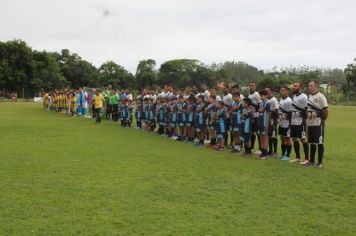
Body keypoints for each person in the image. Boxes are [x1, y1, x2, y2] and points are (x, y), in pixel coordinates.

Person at [305, 80, 329, 168]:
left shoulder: (321, 97)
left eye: (311, 85)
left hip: (318, 123)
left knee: (319, 142)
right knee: (312, 142)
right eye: (308, 85)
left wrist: (323, 120)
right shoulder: (309, 96)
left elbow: (325, 110)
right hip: (310, 124)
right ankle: (311, 161)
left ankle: (320, 162)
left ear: (316, 86)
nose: (309, 87)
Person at [290, 82, 309, 163]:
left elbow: (306, 110)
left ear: (300, 87)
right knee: (294, 139)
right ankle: (298, 157)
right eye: (293, 86)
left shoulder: (304, 96)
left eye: (295, 86)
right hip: (293, 122)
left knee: (303, 139)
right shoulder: (294, 96)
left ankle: (307, 159)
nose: (293, 87)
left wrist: (304, 121)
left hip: (300, 122)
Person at [278, 86, 293, 161]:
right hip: (281, 122)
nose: (281, 92)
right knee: (282, 138)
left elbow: (291, 113)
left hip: (287, 123)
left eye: (283, 90)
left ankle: (288, 155)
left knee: (287, 138)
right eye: (281, 90)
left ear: (287, 92)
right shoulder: (281, 99)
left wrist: (290, 123)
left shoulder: (289, 101)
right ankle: (283, 154)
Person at [248, 82, 261, 153]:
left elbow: (260, 104)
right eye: (250, 85)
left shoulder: (256, 94)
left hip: (256, 116)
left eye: (253, 85)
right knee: (252, 132)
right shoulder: (249, 94)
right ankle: (252, 147)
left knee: (258, 132)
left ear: (255, 87)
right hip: (251, 116)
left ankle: (260, 148)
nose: (251, 87)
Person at [258, 89, 271, 160]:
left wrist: (266, 124)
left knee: (265, 139)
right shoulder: (260, 103)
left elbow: (268, 115)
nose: (261, 97)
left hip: (264, 124)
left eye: (263, 96)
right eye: (260, 96)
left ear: (266, 96)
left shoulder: (267, 104)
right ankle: (262, 152)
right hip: (260, 123)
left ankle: (265, 154)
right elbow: (260, 112)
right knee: (261, 138)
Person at [266, 87, 279, 157]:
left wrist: (276, 120)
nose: (266, 92)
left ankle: (275, 151)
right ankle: (270, 150)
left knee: (274, 136)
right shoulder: (267, 100)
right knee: (269, 136)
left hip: (272, 121)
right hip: (268, 121)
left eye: (267, 90)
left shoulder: (274, 100)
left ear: (271, 91)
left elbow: (276, 110)